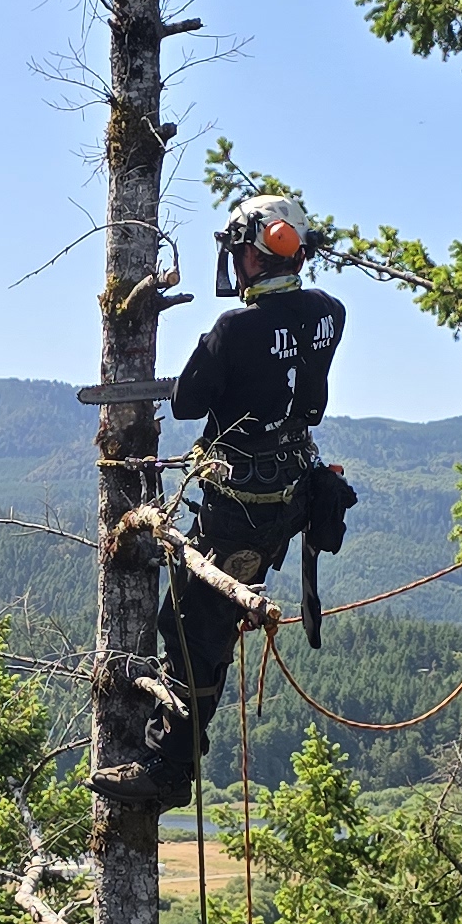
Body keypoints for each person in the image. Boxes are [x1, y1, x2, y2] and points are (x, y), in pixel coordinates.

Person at [114, 191, 352, 810]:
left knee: (191, 630)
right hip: (290, 496)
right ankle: (178, 738)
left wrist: (216, 354)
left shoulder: (233, 329)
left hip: (242, 508)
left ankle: (169, 768)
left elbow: (190, 402)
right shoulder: (332, 310)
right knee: (203, 621)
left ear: (256, 250)